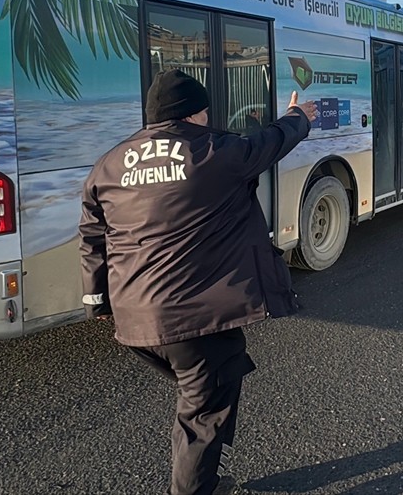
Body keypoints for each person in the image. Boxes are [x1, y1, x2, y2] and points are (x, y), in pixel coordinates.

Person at [79, 69, 317, 495]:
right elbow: (271, 142)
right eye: (205, 111)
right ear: (193, 114)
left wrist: (97, 299)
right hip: (191, 318)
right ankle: (195, 489)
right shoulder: (213, 152)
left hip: (134, 322)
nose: (209, 118)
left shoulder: (109, 164)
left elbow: (93, 236)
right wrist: (299, 116)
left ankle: (203, 477)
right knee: (203, 412)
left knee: (205, 389)